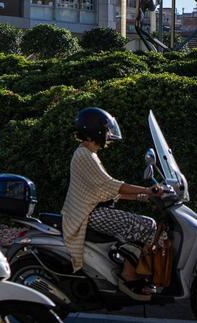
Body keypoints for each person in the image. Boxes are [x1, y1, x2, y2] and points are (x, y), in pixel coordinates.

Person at [62, 108, 164, 295]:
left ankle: (131, 270)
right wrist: (147, 190)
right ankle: (128, 276)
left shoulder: (89, 154)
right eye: (106, 129)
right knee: (144, 225)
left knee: (145, 224)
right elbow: (110, 185)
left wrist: (144, 196)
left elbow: (104, 192)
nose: (109, 134)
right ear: (95, 130)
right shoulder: (84, 154)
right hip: (87, 215)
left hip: (93, 209)